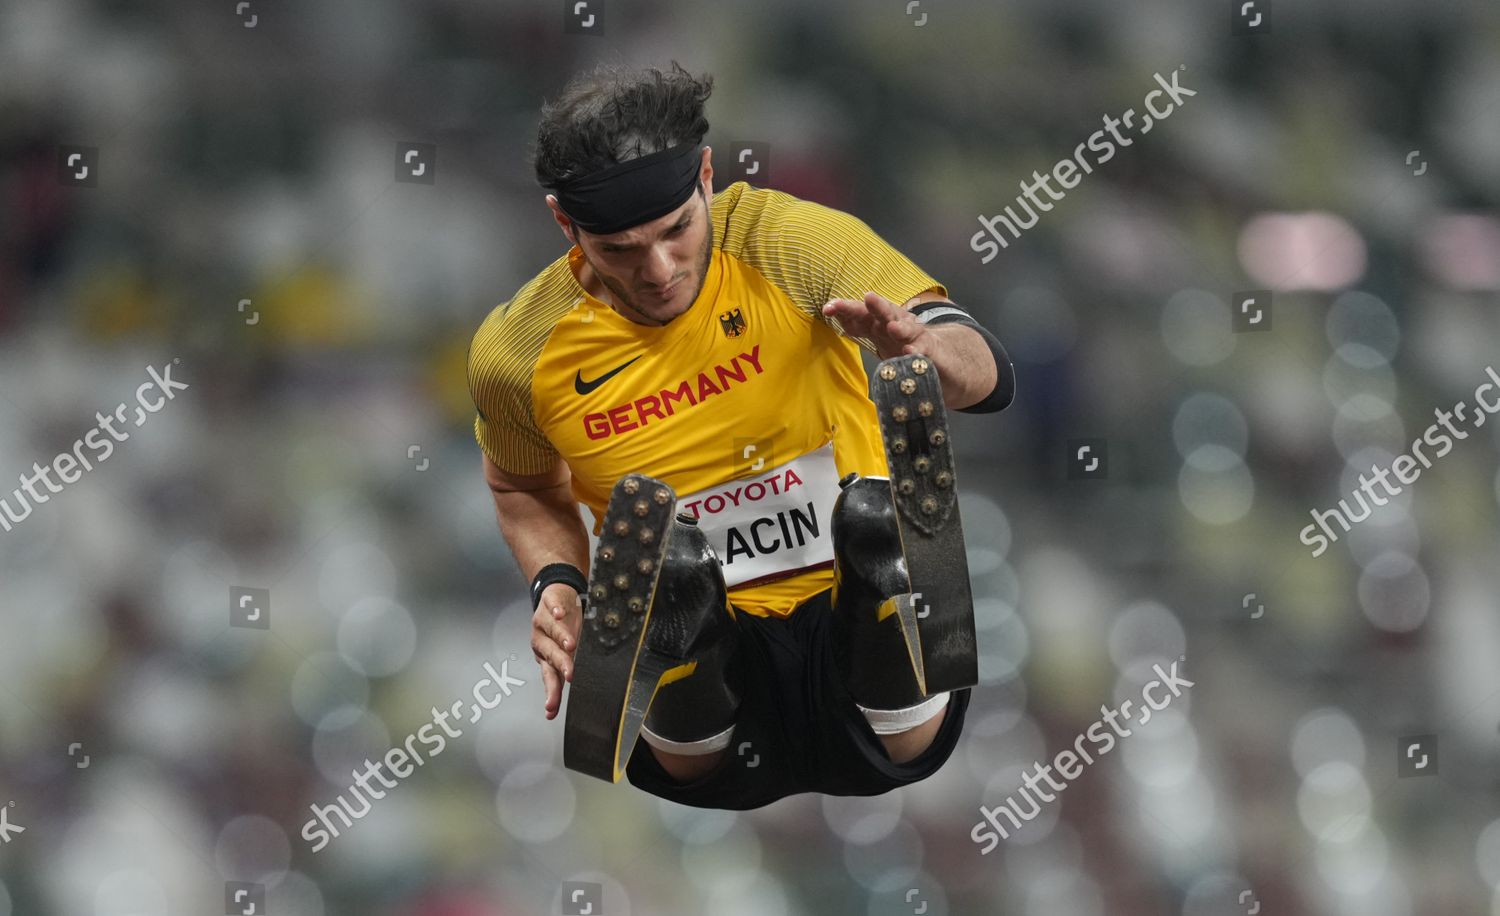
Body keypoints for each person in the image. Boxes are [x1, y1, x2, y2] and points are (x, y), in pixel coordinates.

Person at [467, 61, 1014, 810]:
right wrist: (557, 583)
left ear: (706, 178)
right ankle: (680, 626)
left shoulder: (788, 243)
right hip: (705, 723)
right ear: (566, 224)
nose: (658, 270)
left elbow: (986, 375)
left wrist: (928, 353)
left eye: (676, 231)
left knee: (872, 523)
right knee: (668, 561)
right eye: (620, 250)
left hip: (868, 665)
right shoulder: (518, 352)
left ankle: (896, 594)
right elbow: (522, 486)